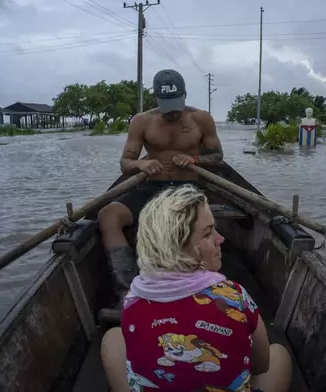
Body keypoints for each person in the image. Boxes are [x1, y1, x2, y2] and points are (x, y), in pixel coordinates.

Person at [100, 185, 293, 392]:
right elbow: (261, 366)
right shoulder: (234, 296)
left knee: (112, 338)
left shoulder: (133, 298)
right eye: (209, 233)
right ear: (181, 245)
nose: (221, 239)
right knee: (279, 355)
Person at [97, 69, 224, 302]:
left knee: (183, 225)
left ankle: (199, 286)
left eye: (176, 104)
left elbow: (217, 157)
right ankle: (126, 291)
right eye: (167, 105)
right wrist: (140, 165)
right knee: (108, 215)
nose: (173, 111)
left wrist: (194, 160)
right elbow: (125, 163)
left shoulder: (201, 119)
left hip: (188, 190)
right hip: (151, 189)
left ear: (184, 95)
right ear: (156, 99)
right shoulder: (142, 121)